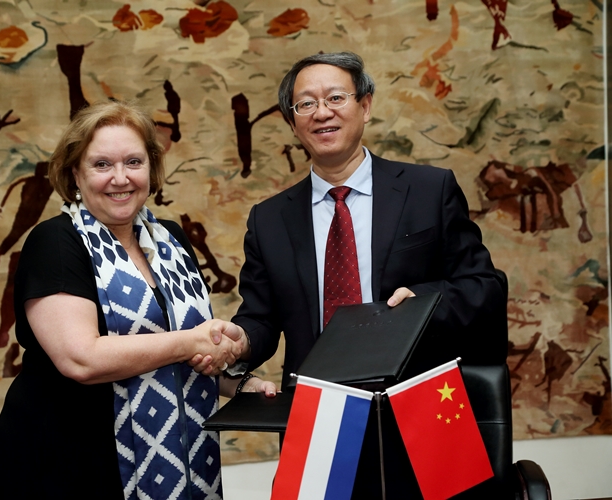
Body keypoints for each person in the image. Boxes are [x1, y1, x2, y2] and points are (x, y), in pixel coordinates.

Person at [197, 51, 508, 498]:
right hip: (319, 416)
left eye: (336, 98)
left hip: (424, 403)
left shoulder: (428, 189)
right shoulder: (269, 219)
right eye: (306, 103)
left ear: (365, 106)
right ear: (293, 123)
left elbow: (485, 288)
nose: (322, 112)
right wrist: (240, 341)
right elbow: (262, 317)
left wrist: (424, 305)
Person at [0, 100, 276, 500]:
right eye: (102, 164)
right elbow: (81, 359)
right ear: (75, 173)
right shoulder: (55, 243)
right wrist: (191, 341)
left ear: (151, 169)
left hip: (178, 456)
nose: (120, 178)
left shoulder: (170, 239)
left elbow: (180, 348)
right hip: (69, 462)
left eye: (133, 162)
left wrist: (238, 381)